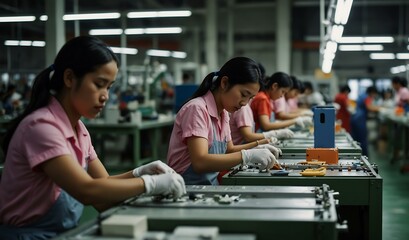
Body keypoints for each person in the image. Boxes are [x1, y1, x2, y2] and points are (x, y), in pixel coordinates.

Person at [0, 36, 185, 239]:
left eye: (109, 87)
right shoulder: (41, 127)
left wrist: (139, 172)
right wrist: (150, 184)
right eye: (99, 84)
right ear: (69, 78)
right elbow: (86, 191)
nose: (105, 95)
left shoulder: (79, 129)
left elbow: (103, 188)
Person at [167, 57, 279, 185]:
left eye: (250, 98)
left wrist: (258, 146)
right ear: (225, 83)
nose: (244, 103)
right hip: (185, 188)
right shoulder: (197, 109)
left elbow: (229, 150)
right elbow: (200, 162)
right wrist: (247, 156)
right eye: (243, 94)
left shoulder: (224, 113)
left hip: (208, 187)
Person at [350, 86, 380, 156]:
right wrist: (380, 109)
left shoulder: (362, 95)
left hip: (354, 118)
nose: (375, 96)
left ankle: (355, 154)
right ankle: (364, 156)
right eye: (375, 94)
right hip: (360, 120)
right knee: (362, 139)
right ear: (372, 92)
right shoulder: (367, 97)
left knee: (355, 138)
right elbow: (369, 107)